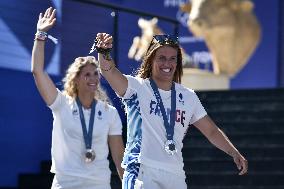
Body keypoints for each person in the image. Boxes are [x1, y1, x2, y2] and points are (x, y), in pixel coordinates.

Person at [94, 32, 248, 189]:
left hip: (175, 174)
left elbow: (212, 131)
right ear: (151, 59)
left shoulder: (188, 96)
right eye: (161, 58)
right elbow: (109, 71)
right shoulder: (136, 88)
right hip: (141, 169)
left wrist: (233, 152)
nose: (167, 63)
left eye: (172, 58)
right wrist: (103, 51)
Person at [31, 7, 124, 189]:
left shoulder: (109, 113)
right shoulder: (60, 103)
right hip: (65, 184)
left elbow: (119, 155)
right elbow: (37, 71)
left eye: (96, 74)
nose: (93, 79)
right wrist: (40, 34)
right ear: (76, 78)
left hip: (99, 184)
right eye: (87, 74)